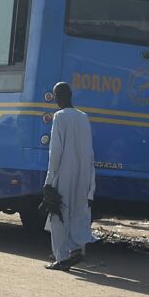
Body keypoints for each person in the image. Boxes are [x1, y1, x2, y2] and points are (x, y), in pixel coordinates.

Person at [43, 81, 96, 271]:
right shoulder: (83, 117)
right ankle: (77, 249)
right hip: (83, 175)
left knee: (58, 215)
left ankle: (62, 257)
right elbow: (89, 153)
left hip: (63, 175)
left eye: (55, 96)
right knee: (78, 213)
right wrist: (91, 186)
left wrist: (49, 181)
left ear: (59, 97)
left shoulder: (59, 117)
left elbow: (55, 152)